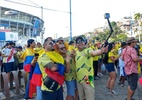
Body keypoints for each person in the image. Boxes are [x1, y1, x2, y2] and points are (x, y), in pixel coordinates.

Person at [74, 36, 108, 100]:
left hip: (87, 79)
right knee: (82, 98)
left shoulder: (87, 50)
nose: (80, 43)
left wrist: (101, 51)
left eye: (82, 41)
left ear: (85, 43)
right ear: (76, 44)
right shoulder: (76, 52)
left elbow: (93, 53)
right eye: (78, 42)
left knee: (90, 96)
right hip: (78, 79)